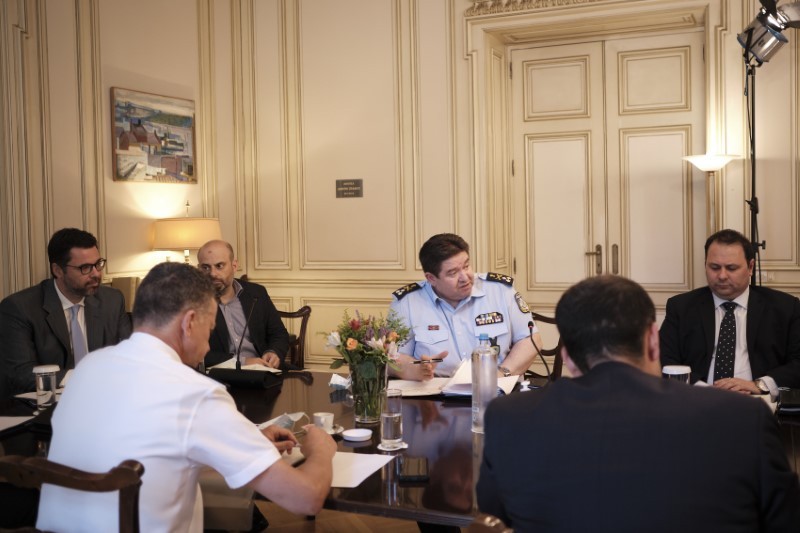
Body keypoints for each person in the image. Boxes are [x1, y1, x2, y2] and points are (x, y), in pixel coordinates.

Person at [477, 275, 800, 532]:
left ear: (567, 358)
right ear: (653, 342)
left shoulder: (508, 418)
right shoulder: (743, 418)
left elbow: (494, 515)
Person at [37, 262, 336, 532]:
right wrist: (321, 450)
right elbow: (306, 499)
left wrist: (247, 441)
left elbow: (157, 451)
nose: (207, 346)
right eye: (210, 328)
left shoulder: (88, 368)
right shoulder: (196, 393)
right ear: (189, 322)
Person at [660, 229, 800, 395]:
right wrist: (706, 391)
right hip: (698, 399)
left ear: (750, 267)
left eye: (731, 268)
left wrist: (760, 385)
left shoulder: (785, 308)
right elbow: (664, 360)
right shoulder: (681, 307)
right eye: (714, 267)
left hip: (759, 400)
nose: (722, 275)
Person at [0, 228, 131, 398]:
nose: (96, 274)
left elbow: (130, 354)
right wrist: (83, 377)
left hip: (106, 399)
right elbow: (21, 374)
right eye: (85, 268)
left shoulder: (112, 300)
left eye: (98, 264)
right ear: (58, 270)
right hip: (49, 407)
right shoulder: (19, 308)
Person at [390, 233, 541, 381]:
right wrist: (415, 370)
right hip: (436, 391)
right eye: (453, 273)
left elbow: (530, 340)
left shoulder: (500, 291)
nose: (465, 277)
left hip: (500, 388)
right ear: (431, 278)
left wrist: (502, 373)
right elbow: (391, 356)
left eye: (466, 266)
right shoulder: (407, 303)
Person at [197, 240, 290, 369]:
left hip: (264, 370)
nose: (213, 273)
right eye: (205, 267)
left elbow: (279, 334)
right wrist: (243, 362)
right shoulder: (193, 301)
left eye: (219, 266)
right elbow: (195, 353)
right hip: (221, 375)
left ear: (234, 266)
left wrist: (273, 352)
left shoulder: (256, 293)